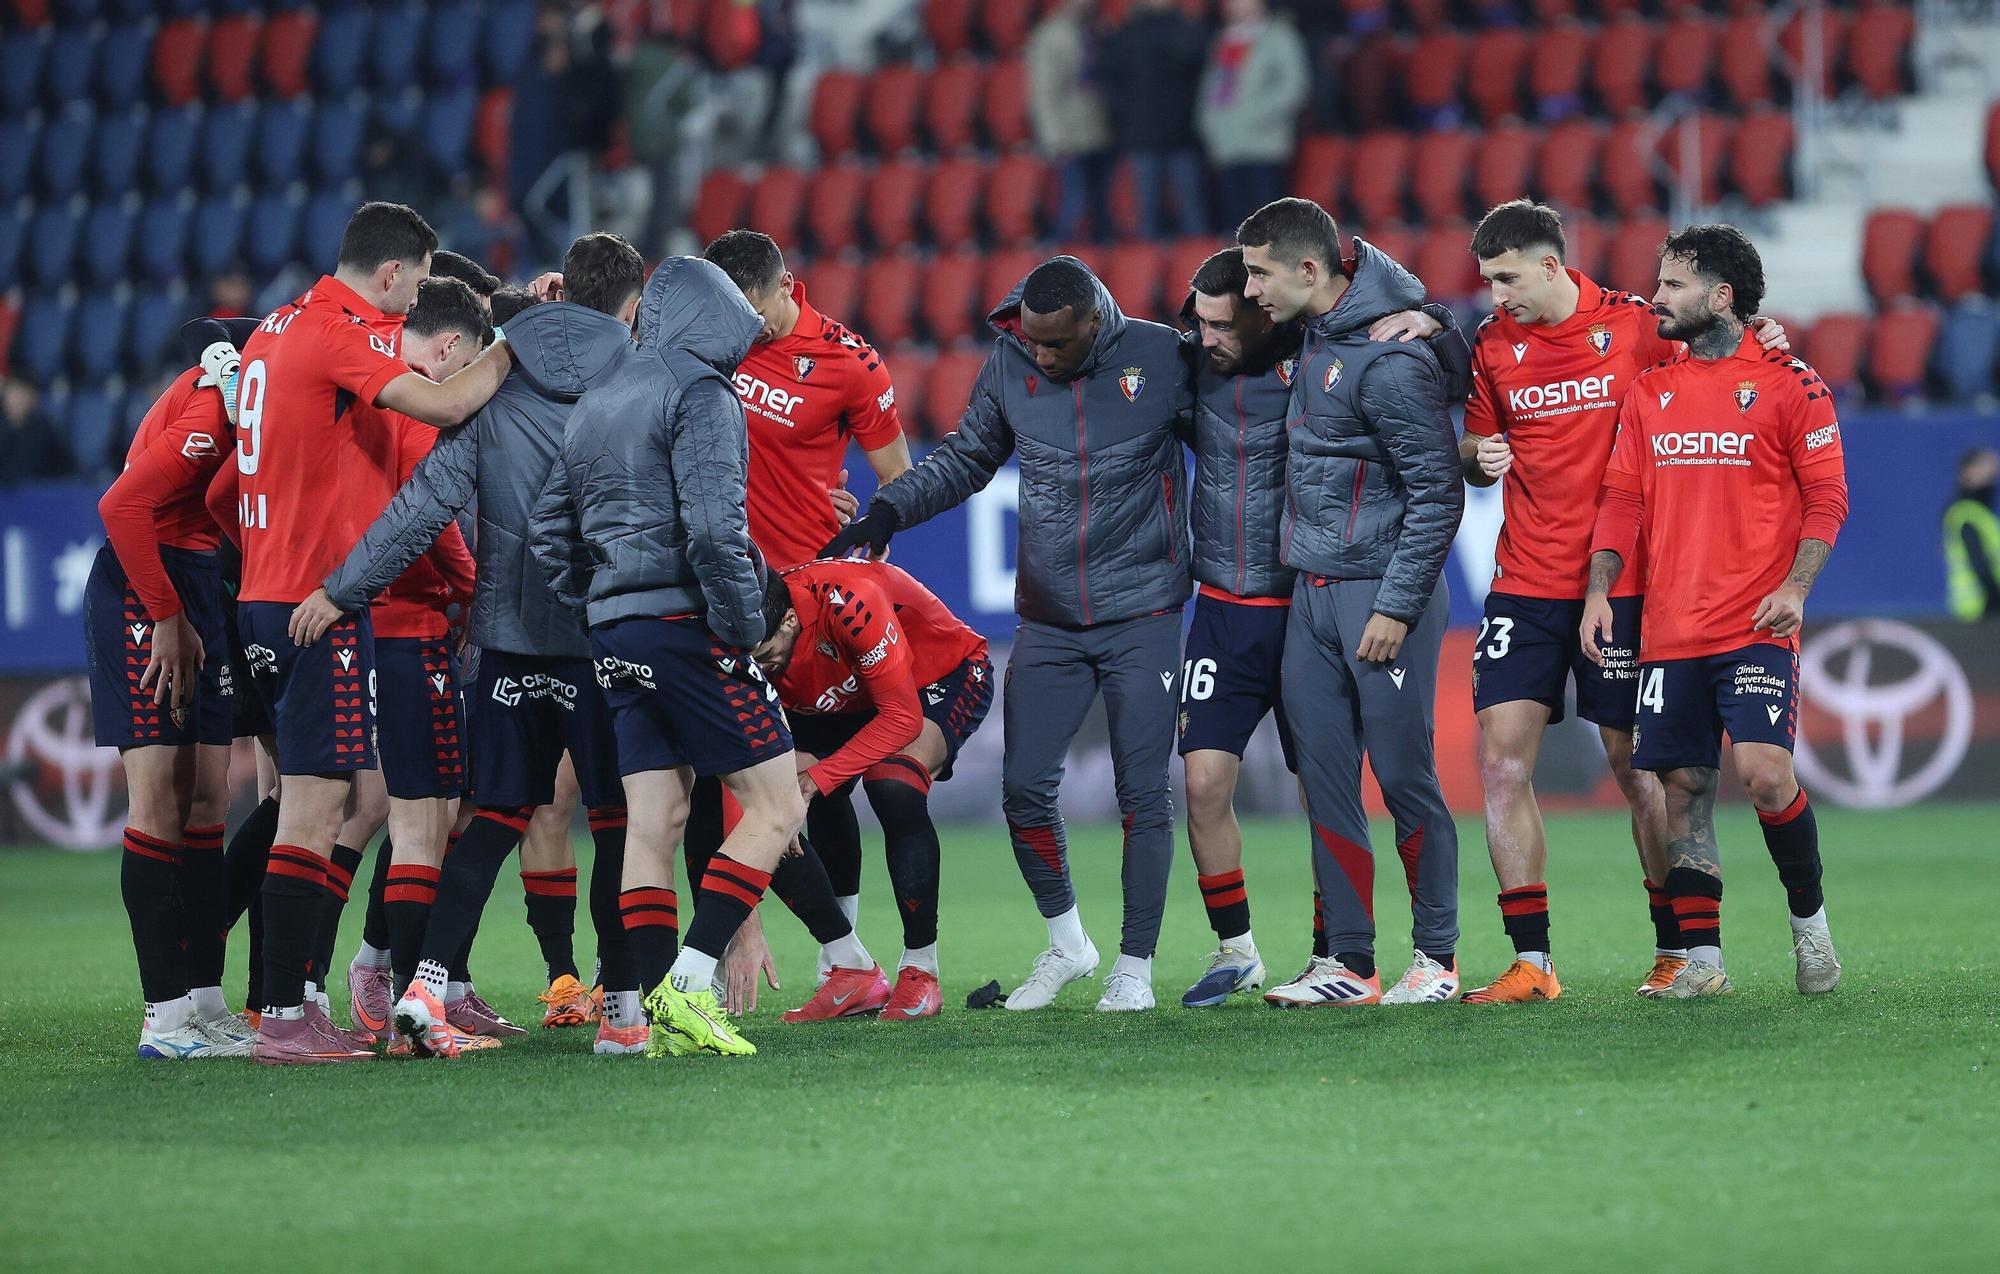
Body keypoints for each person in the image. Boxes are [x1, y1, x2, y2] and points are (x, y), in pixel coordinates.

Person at [298, 233, 650, 1056]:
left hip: (507, 644)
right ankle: (623, 1008)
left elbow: (420, 509)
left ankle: (425, 986)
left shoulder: (495, 388)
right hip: (602, 639)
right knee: (621, 820)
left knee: (487, 820)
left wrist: (340, 589)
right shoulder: (642, 380)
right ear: (629, 305)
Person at [825, 256, 1193, 1013]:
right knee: (1024, 789)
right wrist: (887, 509)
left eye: (1056, 345)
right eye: (1032, 343)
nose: (1042, 357)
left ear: (1096, 321)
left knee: (1143, 794)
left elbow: (1235, 447)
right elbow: (965, 458)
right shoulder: (1012, 358)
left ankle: (1135, 967)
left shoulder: (1163, 357)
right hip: (1050, 619)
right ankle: (1068, 946)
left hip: (1145, 611)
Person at [1454, 200, 1787, 1004]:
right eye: (1487, 282)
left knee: (1636, 768)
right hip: (1525, 581)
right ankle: (1532, 961)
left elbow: (1724, 350)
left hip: (1630, 586)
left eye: (1508, 279)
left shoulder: (1636, 327)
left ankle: (1675, 945)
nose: (1497, 296)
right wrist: (1477, 457)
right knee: (1500, 763)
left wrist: (1769, 336)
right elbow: (1469, 446)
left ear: (1550, 265)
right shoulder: (1494, 346)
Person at [216, 201, 511, 1065]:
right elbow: (449, 397)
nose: (413, 302)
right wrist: (522, 341)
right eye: (417, 283)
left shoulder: (276, 328)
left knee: (322, 802)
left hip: (268, 591)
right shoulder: (338, 328)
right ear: (390, 274)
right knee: (314, 809)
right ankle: (283, 1014)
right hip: (317, 602)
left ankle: (281, 997)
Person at [531, 255, 804, 1059]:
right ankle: (688, 983)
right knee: (778, 807)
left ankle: (641, 1025)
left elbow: (550, 531)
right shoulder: (702, 392)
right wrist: (740, 623)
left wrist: (603, 599)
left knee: (654, 820)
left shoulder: (598, 398)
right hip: (687, 622)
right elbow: (718, 531)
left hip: (614, 632)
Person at [1585, 224, 1847, 999]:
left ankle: (1811, 928)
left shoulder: (1792, 385)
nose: (1655, 298)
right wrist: (1601, 591)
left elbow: (1828, 499)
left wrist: (1796, 588)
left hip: (1756, 625)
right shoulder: (1650, 389)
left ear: (1720, 295)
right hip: (1670, 629)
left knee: (1765, 774)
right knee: (1682, 792)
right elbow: (1622, 498)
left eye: (1671, 285)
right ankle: (1702, 960)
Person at [1236, 197, 1469, 1007]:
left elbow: (1439, 494)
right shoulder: (1317, 335)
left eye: (1261, 273)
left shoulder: (1391, 358)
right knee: (1327, 785)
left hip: (1380, 594)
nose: (1250, 290)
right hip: (1312, 592)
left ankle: (1436, 959)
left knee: (1407, 780)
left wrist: (1397, 607)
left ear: (1310, 269)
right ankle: (1351, 963)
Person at [698, 229, 913, 992]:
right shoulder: (707, 339)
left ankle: (837, 952)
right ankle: (724, 940)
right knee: (712, 778)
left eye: (752, 312)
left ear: (785, 284)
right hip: (714, 587)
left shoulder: (850, 363)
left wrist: (862, 515)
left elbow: (898, 480)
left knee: (813, 783)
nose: (742, 327)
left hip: (803, 603)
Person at [87, 334, 253, 1058]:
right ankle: (164, 1017)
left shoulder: (240, 400)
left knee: (209, 799)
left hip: (194, 584)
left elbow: (217, 497)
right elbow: (121, 506)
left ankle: (205, 1001)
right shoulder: (215, 412)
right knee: (158, 799)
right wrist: (164, 615)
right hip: (144, 588)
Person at [754, 558, 995, 1019]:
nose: (762, 667)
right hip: (848, 698)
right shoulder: (747, 630)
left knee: (892, 783)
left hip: (937, 674)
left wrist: (817, 778)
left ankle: (921, 973)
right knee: (766, 808)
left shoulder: (850, 602)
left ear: (789, 619)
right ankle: (849, 968)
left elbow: (901, 716)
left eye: (766, 656)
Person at [1098, 0, 1211, 238]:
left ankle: (1206, 269)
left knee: (1192, 209)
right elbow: (1111, 84)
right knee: (1148, 212)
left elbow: (1196, 61)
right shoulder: (1127, 34)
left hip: (1181, 134)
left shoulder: (1184, 29)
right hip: (1144, 135)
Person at [1195, 0, 1310, 232]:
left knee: (1270, 227)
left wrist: (1257, 115)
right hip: (1226, 147)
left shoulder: (1280, 37)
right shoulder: (1223, 40)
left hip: (1264, 145)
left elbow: (1293, 86)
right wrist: (1209, 123)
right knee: (1233, 226)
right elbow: (1212, 89)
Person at [1027, 0, 1115, 243]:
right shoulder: (1051, 36)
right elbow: (1044, 93)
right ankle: (1061, 261)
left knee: (1101, 205)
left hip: (1099, 133)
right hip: (1070, 136)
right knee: (1072, 203)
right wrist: (1055, 137)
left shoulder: (1097, 31)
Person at [1945, 446, 2000, 620]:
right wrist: (1995, 598)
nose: (1991, 471)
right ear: (1967, 471)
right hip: (1980, 607)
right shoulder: (1966, 513)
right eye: (1983, 464)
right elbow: (1979, 562)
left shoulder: (1980, 512)